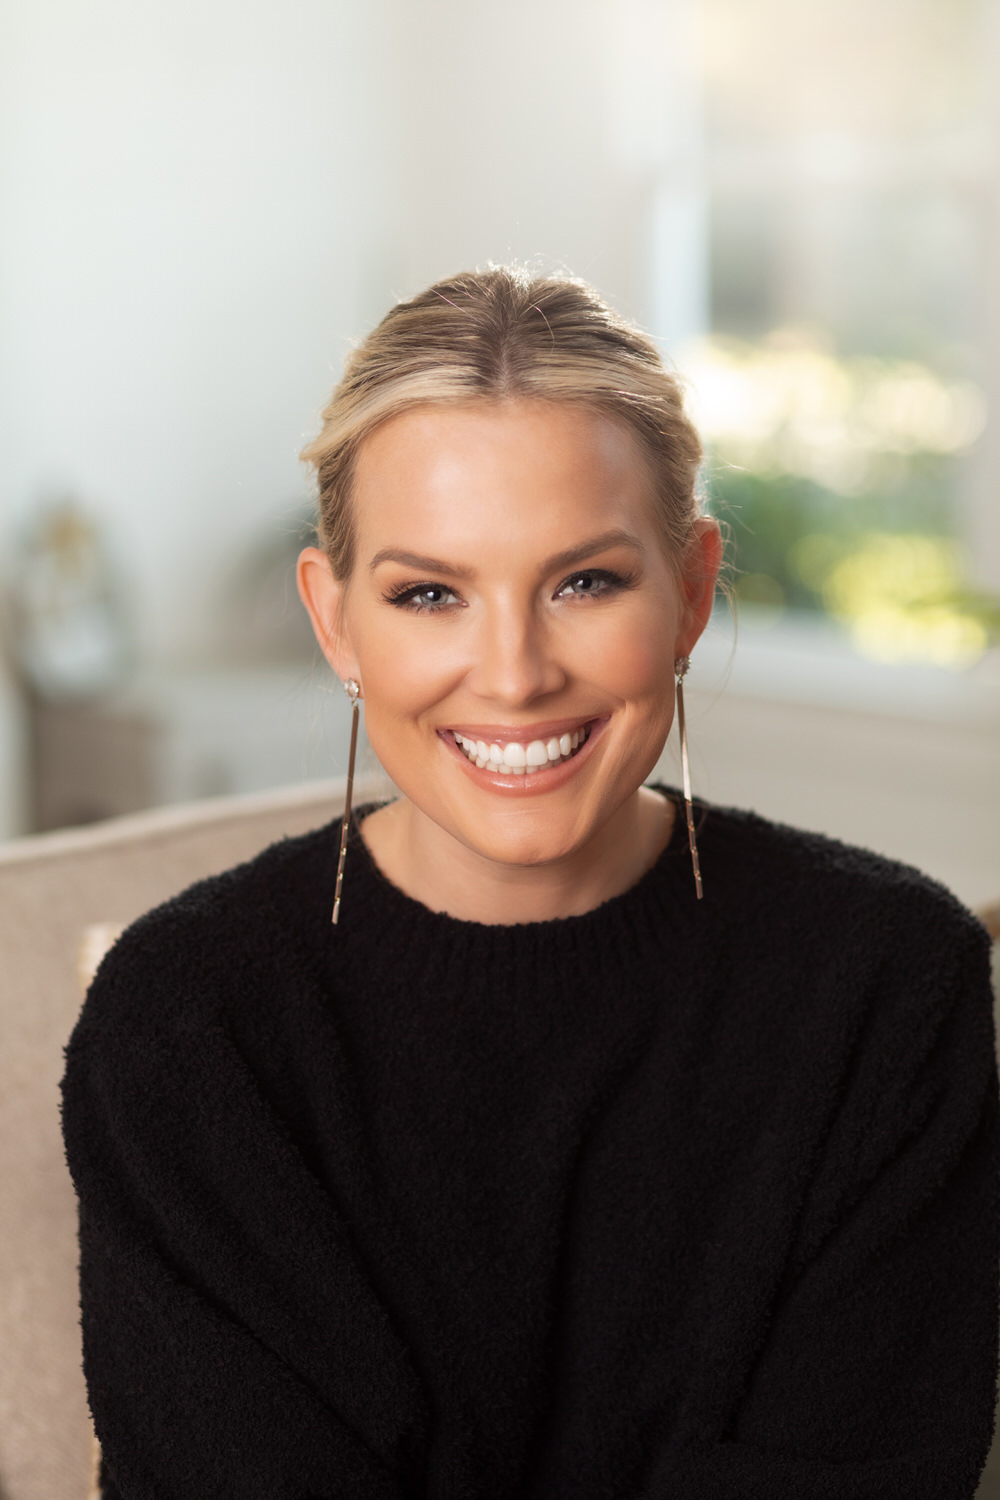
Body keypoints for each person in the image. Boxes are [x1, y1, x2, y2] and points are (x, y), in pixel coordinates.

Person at [61, 267, 999, 1499]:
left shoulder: (888, 986)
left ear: (693, 593)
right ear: (336, 621)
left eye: (585, 582)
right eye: (429, 594)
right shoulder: (189, 1020)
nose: (511, 677)